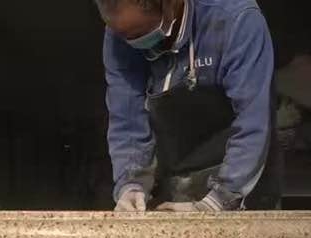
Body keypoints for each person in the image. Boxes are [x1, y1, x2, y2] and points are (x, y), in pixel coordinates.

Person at [95, 0, 279, 213]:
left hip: (243, 176)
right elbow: (127, 116)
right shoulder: (120, 34)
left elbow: (253, 121)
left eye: (142, 34)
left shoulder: (236, 20)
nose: (133, 42)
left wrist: (218, 201)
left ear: (170, 5)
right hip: (173, 176)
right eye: (127, 37)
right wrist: (130, 183)